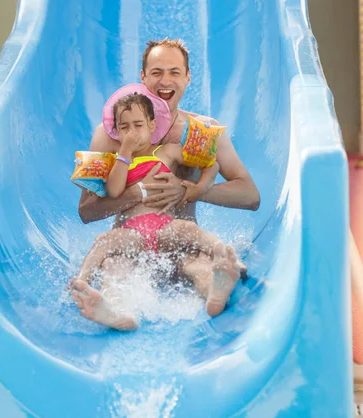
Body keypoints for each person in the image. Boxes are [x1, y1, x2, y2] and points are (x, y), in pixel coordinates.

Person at [71, 39, 260, 329]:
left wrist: (191, 191)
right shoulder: (109, 136)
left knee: (197, 261)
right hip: (130, 244)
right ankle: (116, 313)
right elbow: (87, 211)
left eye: (174, 72)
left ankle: (217, 288)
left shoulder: (201, 132)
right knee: (115, 268)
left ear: (188, 77)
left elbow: (249, 194)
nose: (165, 81)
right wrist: (137, 192)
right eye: (157, 72)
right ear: (143, 77)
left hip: (178, 242)